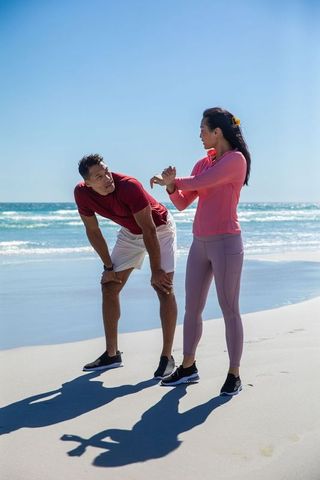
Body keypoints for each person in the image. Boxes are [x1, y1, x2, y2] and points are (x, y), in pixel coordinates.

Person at [150, 107, 251, 395]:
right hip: (200, 244)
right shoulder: (201, 163)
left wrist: (171, 180)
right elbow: (183, 202)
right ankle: (188, 366)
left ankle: (234, 374)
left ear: (217, 132)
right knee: (192, 308)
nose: (200, 135)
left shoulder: (235, 160)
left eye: (203, 130)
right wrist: (171, 189)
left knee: (229, 308)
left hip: (227, 244)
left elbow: (202, 183)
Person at [74, 154, 177, 379]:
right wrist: (108, 266)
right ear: (88, 183)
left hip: (159, 229)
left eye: (107, 171)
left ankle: (167, 356)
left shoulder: (129, 186)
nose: (107, 178)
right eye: (99, 177)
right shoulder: (81, 194)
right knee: (109, 286)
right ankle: (112, 355)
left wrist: (156, 269)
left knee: (164, 288)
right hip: (131, 232)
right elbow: (93, 231)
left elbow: (149, 229)